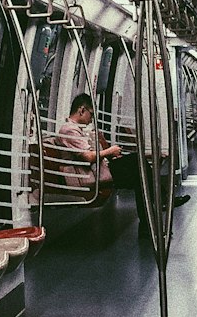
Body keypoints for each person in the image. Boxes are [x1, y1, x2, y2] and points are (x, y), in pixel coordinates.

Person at [56, 93, 189, 236]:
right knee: (138, 169)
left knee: (139, 169)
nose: (91, 120)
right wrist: (110, 151)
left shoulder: (75, 129)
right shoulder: (69, 130)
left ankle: (151, 221)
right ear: (81, 110)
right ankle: (161, 203)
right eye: (91, 114)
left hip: (97, 169)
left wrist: (110, 153)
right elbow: (88, 157)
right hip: (88, 174)